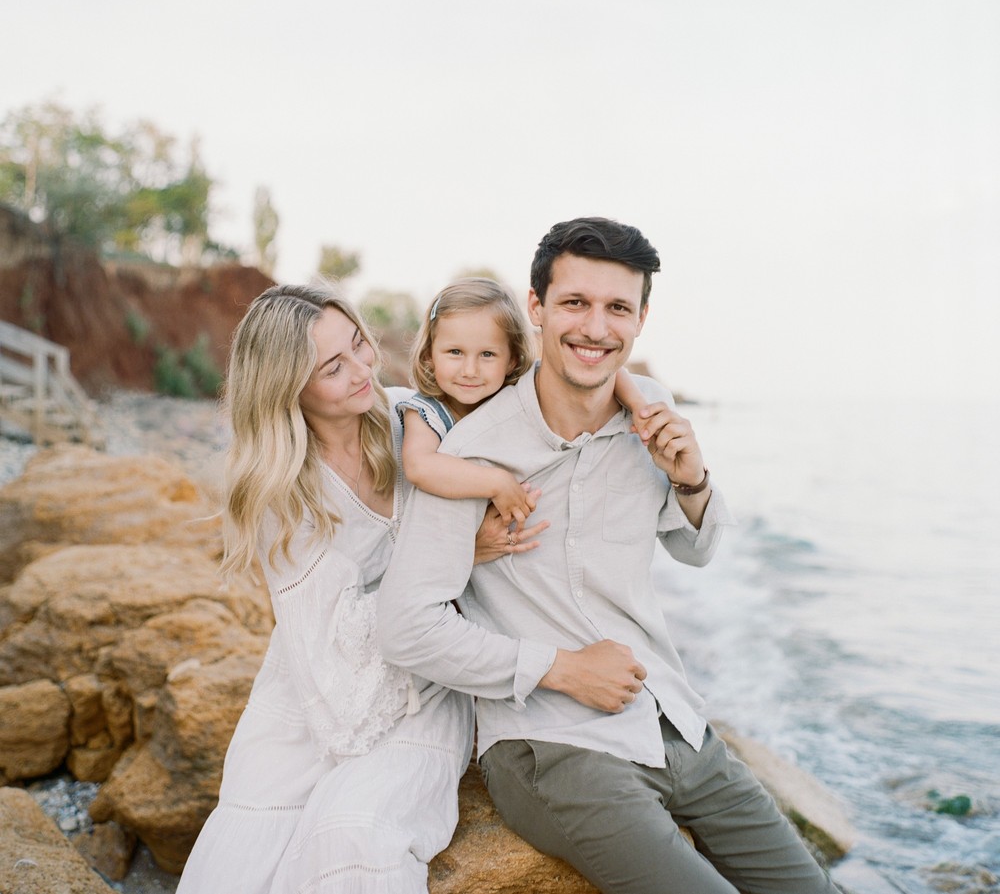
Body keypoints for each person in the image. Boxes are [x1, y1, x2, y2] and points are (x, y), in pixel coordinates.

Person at [378, 218, 842, 894]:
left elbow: (699, 550)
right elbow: (406, 625)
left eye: (617, 307)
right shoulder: (473, 454)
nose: (596, 327)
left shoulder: (649, 410)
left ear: (641, 318)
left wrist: (692, 478)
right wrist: (561, 668)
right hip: (553, 744)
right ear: (535, 308)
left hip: (673, 723)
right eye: (575, 303)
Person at [176, 283, 544, 894]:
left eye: (358, 346)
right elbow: (331, 643)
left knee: (355, 831)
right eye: (332, 367)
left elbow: (525, 408)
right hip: (315, 682)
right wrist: (455, 558)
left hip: (419, 685)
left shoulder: (407, 421)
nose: (360, 371)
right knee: (245, 861)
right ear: (286, 386)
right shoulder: (282, 492)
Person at [399, 275, 651, 530]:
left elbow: (610, 374)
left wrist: (639, 407)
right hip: (440, 533)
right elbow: (419, 467)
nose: (470, 370)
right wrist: (497, 483)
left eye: (487, 354)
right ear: (429, 354)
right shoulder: (426, 412)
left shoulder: (519, 394)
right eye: (455, 352)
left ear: (512, 359)